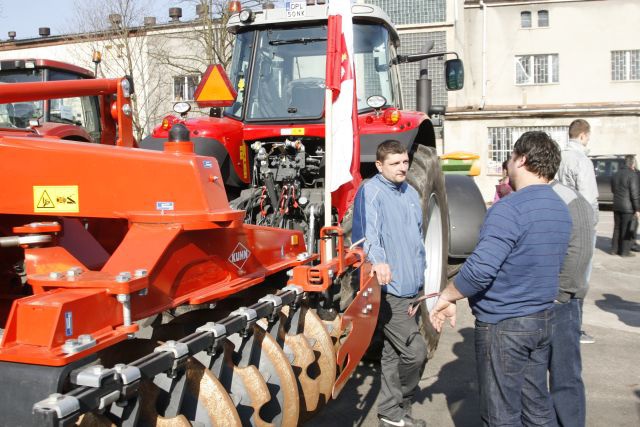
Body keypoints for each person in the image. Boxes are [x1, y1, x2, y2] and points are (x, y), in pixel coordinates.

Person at [429, 131, 572, 427]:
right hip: (542, 319)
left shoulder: (509, 209)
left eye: (509, 157)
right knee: (536, 404)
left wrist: (447, 295)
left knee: (501, 413)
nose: (507, 163)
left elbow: (480, 270)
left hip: (505, 324)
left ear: (521, 159)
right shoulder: (560, 207)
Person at [352, 140, 427, 427]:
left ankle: (391, 417)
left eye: (405, 162)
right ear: (380, 165)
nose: (402, 168)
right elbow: (366, 234)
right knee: (415, 353)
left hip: (413, 290)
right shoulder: (371, 191)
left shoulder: (410, 192)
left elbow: (417, 241)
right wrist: (378, 261)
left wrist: (422, 284)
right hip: (391, 290)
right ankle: (398, 406)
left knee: (394, 354)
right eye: (395, 163)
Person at [549, 180, 594, 427]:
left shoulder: (569, 199)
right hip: (538, 302)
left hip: (561, 304)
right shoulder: (529, 196)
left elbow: (580, 252)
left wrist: (561, 293)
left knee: (564, 377)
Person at [556, 119, 597, 344]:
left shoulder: (560, 157)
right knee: (580, 279)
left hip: (561, 220)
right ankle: (574, 328)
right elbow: (589, 199)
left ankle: (560, 323)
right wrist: (592, 227)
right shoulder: (582, 160)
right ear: (583, 135)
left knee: (562, 272)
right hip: (581, 223)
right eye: (588, 136)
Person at [610, 155, 640, 257]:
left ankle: (614, 250)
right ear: (632, 164)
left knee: (617, 228)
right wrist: (637, 209)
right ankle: (624, 252)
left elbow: (613, 190)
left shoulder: (616, 174)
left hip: (616, 205)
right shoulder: (633, 175)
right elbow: (635, 194)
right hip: (628, 207)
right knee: (626, 229)